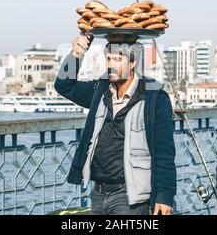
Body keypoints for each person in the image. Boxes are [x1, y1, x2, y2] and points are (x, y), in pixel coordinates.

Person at [54, 32, 176, 215]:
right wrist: (77, 54)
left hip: (130, 196)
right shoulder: (100, 91)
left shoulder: (154, 98)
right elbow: (64, 86)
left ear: (133, 63)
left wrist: (164, 196)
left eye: (117, 60)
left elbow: (164, 153)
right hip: (98, 193)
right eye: (108, 59)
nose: (110, 65)